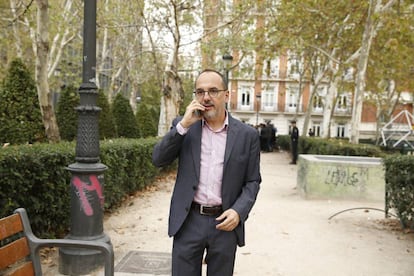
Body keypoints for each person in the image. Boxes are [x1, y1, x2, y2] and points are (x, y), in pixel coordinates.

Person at [152, 69, 261, 276]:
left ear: (226, 95)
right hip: (188, 221)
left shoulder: (247, 136)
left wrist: (239, 211)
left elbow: (253, 181)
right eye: (200, 92)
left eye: (213, 91)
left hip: (225, 223)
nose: (206, 97)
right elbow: (158, 159)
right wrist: (183, 125)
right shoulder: (184, 127)